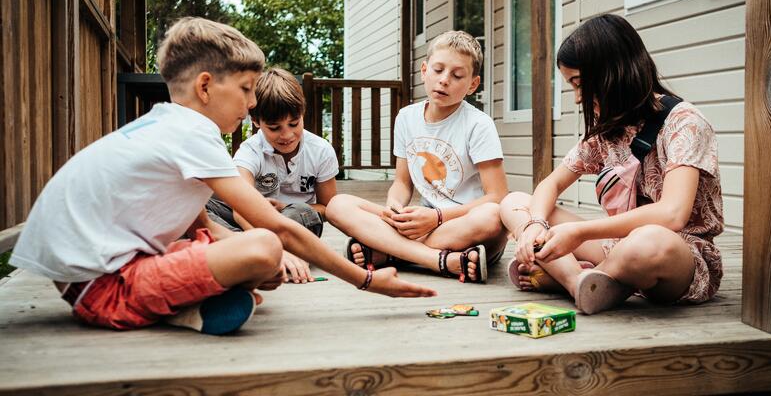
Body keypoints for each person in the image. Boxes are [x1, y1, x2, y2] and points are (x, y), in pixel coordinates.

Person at [10, 17, 435, 335]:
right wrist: (365, 280)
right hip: (104, 291)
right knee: (265, 247)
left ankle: (196, 303)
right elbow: (275, 230)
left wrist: (253, 256)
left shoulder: (167, 125)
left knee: (257, 258)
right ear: (206, 86)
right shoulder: (195, 133)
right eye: (247, 88)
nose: (251, 104)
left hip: (100, 276)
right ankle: (184, 310)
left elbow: (208, 225)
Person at [500, 14, 724, 314]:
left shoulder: (685, 123)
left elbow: (672, 214)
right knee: (515, 202)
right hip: (614, 246)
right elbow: (551, 184)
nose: (579, 98)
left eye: (580, 84)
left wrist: (579, 233)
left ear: (613, 72)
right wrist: (534, 225)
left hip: (677, 256)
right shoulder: (608, 129)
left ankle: (571, 275)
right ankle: (581, 282)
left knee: (648, 241)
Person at [326, 30, 508, 283]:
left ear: (472, 85)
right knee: (338, 204)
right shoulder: (407, 118)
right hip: (421, 221)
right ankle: (441, 261)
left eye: (457, 75)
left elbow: (497, 197)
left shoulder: (479, 124)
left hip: (463, 225)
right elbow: (402, 183)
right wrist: (394, 208)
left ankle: (390, 252)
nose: (444, 80)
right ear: (424, 70)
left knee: (492, 219)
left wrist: (438, 217)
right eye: (438, 70)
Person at [205, 67, 338, 284]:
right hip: (248, 222)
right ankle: (253, 250)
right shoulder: (250, 151)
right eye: (275, 128)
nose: (287, 135)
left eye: (294, 124)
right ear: (257, 122)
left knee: (304, 212)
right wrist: (259, 227)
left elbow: (327, 207)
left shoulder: (321, 150)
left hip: (294, 223)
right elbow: (240, 208)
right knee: (205, 205)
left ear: (302, 114)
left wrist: (283, 210)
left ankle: (235, 251)